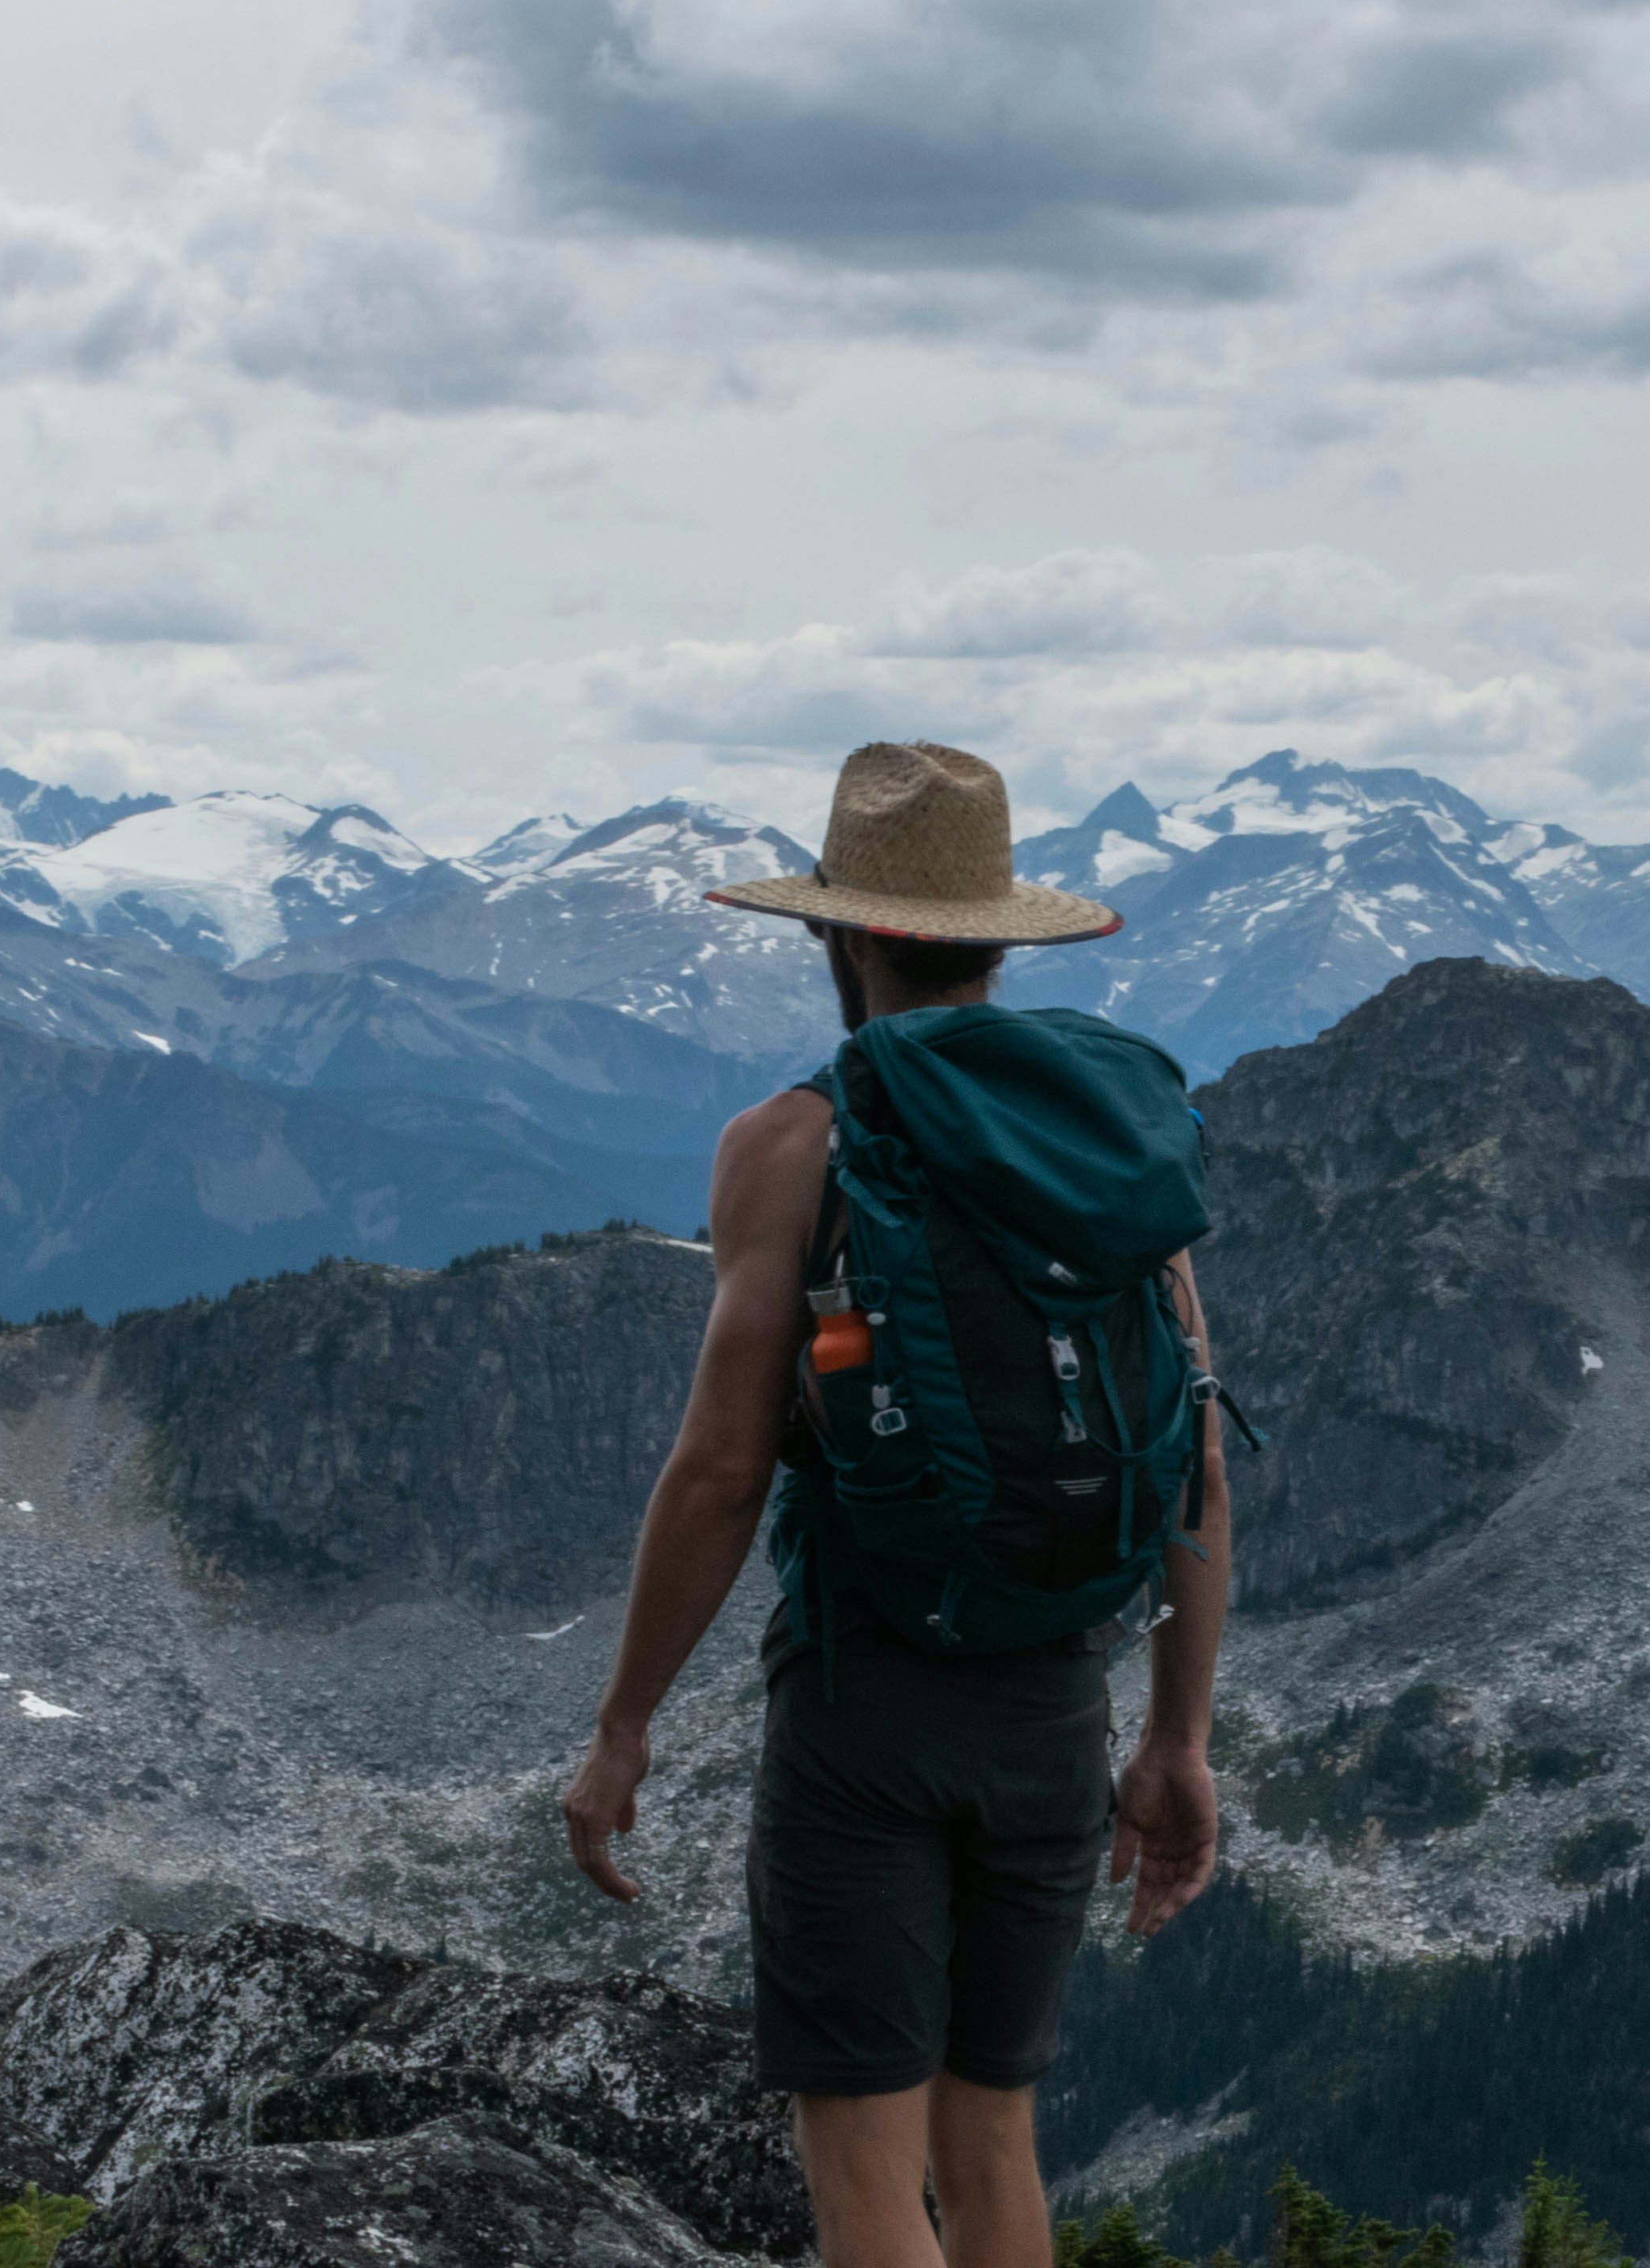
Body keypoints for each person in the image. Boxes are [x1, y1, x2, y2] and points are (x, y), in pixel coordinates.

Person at [562, 740, 1233, 2268]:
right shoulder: (1106, 1144)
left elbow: (726, 1468)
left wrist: (624, 1725)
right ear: (1000, 940)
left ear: (841, 935)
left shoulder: (790, 1145)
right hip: (1058, 1702)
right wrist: (1178, 1740)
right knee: (992, 2138)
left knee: (864, 2168)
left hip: (867, 1702)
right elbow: (1191, 1456)